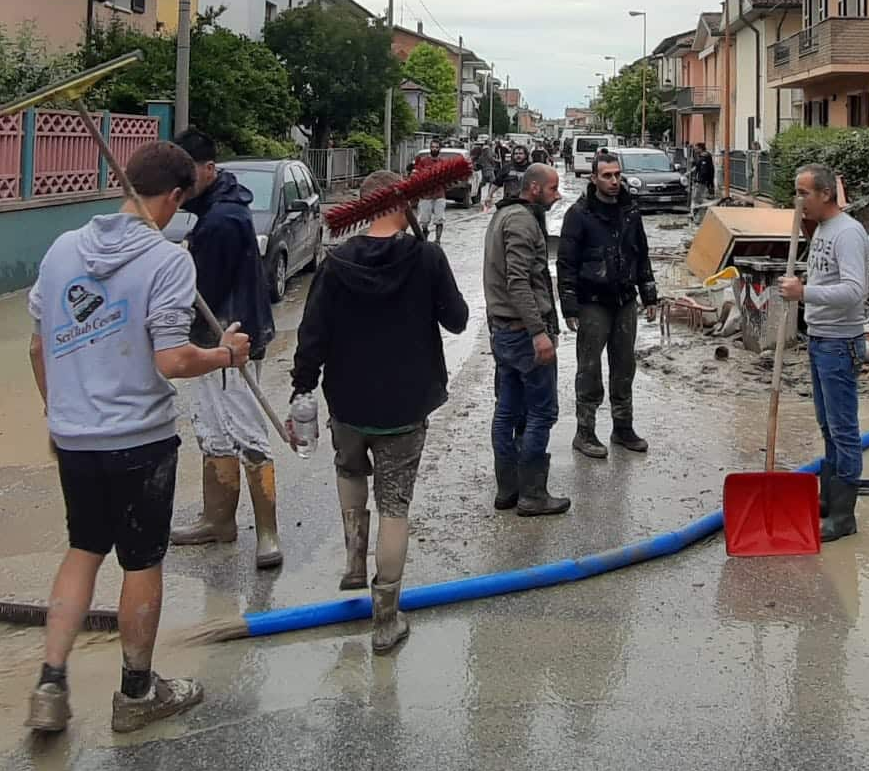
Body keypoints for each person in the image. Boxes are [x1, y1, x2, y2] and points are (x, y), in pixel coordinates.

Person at [24, 140, 251, 735]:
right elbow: (173, 360)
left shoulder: (61, 249)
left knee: (83, 550)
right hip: (139, 439)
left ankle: (50, 684)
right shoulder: (168, 259)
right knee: (141, 561)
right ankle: (136, 692)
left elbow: (37, 345)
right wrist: (225, 354)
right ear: (175, 196)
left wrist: (58, 414)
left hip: (75, 437)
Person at [290, 171, 469, 653]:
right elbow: (458, 321)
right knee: (395, 505)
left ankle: (353, 560)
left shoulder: (336, 263)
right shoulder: (427, 258)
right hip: (406, 405)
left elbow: (312, 335)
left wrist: (302, 390)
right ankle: (385, 618)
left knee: (349, 469)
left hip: (347, 401)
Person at [165, 129, 281, 569]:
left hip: (232, 340)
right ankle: (218, 521)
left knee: (247, 433)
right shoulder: (215, 209)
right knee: (212, 431)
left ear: (209, 170)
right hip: (214, 339)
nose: (178, 183)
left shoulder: (222, 221)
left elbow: (203, 291)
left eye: (186, 173)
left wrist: (179, 267)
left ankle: (268, 533)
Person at [778, 162, 869, 543]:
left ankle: (844, 515)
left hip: (840, 342)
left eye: (804, 193)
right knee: (827, 426)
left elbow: (854, 291)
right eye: (797, 192)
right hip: (820, 339)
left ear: (826, 194)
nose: (798, 200)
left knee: (844, 430)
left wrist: (805, 293)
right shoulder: (822, 230)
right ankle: (829, 500)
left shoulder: (848, 234)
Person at [557, 151, 659, 459]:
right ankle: (585, 432)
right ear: (594, 178)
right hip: (592, 302)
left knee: (624, 366)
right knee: (589, 369)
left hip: (625, 300)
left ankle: (622, 428)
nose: (614, 181)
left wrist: (650, 294)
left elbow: (641, 253)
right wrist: (570, 306)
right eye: (607, 176)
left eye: (617, 175)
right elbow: (566, 262)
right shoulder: (580, 214)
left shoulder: (630, 211)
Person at [483, 163, 570, 516]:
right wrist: (539, 332)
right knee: (541, 412)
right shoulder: (520, 221)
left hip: (504, 330)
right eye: (552, 189)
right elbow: (518, 282)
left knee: (507, 409)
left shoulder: (504, 216)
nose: (557, 195)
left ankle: (508, 490)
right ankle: (532, 494)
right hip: (521, 333)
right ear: (534, 188)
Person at [410, 147, 447, 245]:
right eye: (433, 147)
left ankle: (438, 240)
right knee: (424, 220)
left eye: (436, 147)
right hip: (426, 196)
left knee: (440, 219)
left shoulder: (443, 162)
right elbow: (416, 175)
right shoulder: (423, 162)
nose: (434, 149)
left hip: (439, 195)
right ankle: (425, 231)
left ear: (439, 149)